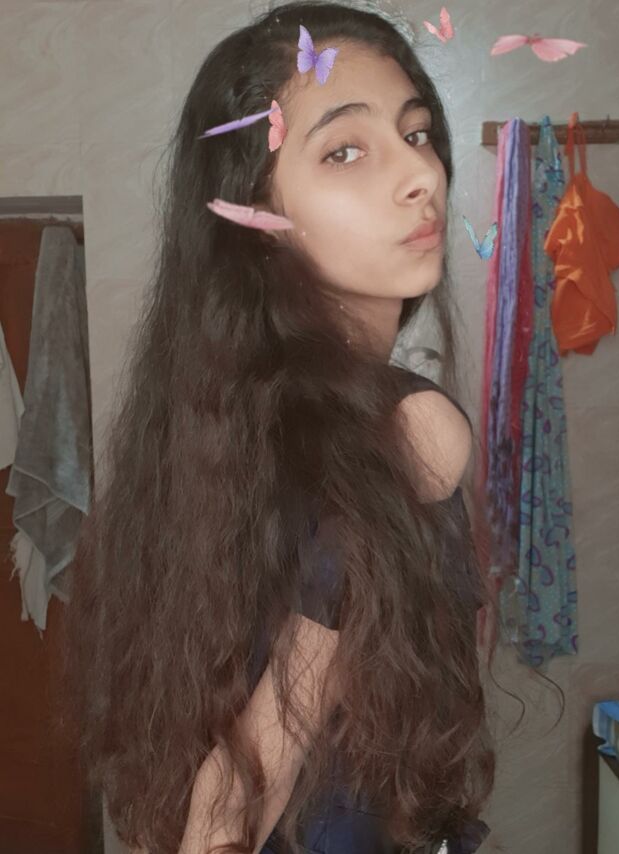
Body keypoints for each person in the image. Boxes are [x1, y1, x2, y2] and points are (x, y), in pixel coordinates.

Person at [63, 2, 496, 853]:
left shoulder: (223, 422)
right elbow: (257, 760)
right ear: (255, 215)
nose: (421, 174)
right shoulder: (412, 428)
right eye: (345, 151)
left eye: (416, 134)